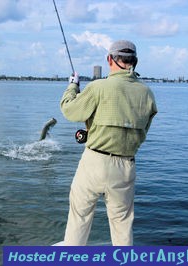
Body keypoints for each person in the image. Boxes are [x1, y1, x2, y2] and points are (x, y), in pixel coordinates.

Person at [60, 40, 157, 246]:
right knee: (122, 224)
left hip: (94, 162)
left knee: (80, 217)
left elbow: (69, 110)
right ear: (135, 62)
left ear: (109, 59)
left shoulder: (97, 87)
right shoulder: (146, 93)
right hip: (125, 166)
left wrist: (72, 86)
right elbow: (144, 130)